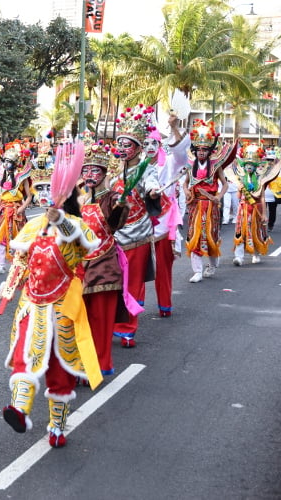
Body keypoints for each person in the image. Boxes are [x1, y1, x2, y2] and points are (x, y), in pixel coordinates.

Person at [0, 193, 101, 448]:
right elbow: (22, 260)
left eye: (51, 191)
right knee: (24, 354)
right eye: (42, 190)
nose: (46, 197)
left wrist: (62, 221)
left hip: (63, 306)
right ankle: (19, 410)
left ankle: (57, 427)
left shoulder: (77, 224)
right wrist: (9, 286)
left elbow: (83, 243)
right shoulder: (33, 225)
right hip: (31, 304)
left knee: (60, 367)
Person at [109, 105, 161, 347]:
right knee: (110, 282)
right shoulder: (111, 172)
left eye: (127, 145)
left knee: (133, 283)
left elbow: (152, 183)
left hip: (137, 236)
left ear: (139, 148)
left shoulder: (147, 170)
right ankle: (110, 322)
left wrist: (152, 191)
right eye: (120, 144)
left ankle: (128, 328)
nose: (122, 148)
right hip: (113, 236)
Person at [78, 134, 129, 375]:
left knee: (100, 321)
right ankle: (79, 363)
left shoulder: (111, 198)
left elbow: (115, 224)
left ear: (104, 173)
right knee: (78, 321)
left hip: (104, 266)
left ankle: (97, 365)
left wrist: (122, 205)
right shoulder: (77, 199)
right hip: (78, 266)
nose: (89, 175)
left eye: (94, 171)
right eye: (86, 170)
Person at [184, 121, 233, 283]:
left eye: (205, 149)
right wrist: (186, 192)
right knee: (195, 237)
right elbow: (185, 182)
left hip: (211, 206)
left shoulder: (216, 166)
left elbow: (225, 184)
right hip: (195, 206)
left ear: (210, 151)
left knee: (210, 235)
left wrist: (218, 196)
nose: (201, 152)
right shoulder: (191, 166)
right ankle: (197, 271)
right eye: (198, 149)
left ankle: (212, 265)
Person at [149, 116, 188, 318]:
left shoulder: (170, 163)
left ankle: (165, 304)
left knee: (163, 268)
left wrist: (174, 128)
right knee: (131, 272)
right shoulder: (133, 167)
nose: (148, 147)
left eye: (152, 143)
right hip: (137, 224)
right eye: (144, 143)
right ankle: (128, 315)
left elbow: (182, 155)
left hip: (163, 223)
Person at [0, 143, 33, 275]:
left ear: (15, 163)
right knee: (1, 238)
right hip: (3, 210)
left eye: (9, 162)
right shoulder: (1, 175)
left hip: (16, 210)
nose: (6, 164)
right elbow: (0, 196)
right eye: (5, 161)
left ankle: (19, 263)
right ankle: (0, 264)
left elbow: (28, 196)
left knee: (18, 237)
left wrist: (21, 208)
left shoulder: (21, 176)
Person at [230, 143, 280, 266]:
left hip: (256, 208)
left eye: (251, 165)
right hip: (244, 208)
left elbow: (262, 197)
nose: (249, 167)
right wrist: (239, 189)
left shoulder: (260, 180)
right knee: (241, 231)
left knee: (256, 231)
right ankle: (239, 256)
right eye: (247, 165)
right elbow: (237, 197)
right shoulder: (241, 178)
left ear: (255, 167)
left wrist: (264, 213)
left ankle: (255, 254)